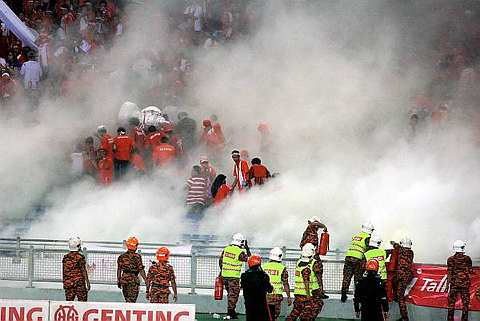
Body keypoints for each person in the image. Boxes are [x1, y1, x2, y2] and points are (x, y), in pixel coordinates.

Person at [219, 233, 251, 320]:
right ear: (241, 242)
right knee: (233, 295)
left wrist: (222, 271)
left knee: (230, 294)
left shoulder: (226, 249)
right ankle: (230, 312)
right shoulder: (239, 252)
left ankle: (232, 311)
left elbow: (221, 261)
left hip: (225, 276)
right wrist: (247, 248)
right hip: (233, 277)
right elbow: (249, 259)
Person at [341, 221, 374, 302]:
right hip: (358, 259)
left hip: (348, 257)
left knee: (346, 277)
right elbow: (369, 249)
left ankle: (344, 294)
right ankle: (357, 296)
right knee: (358, 278)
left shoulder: (356, 236)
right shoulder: (367, 237)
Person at [286, 243, 318, 321]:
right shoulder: (311, 264)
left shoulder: (299, 262)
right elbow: (306, 281)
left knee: (295, 312)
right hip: (306, 295)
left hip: (297, 293)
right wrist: (308, 295)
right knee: (306, 316)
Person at [262, 247, 292, 320]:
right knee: (274, 315)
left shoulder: (263, 267)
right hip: (276, 296)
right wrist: (288, 297)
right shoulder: (282, 268)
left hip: (264, 295)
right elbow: (285, 283)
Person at [241, 255, 273, 321]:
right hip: (261, 304)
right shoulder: (264, 276)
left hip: (249, 304)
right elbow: (269, 289)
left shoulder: (244, 276)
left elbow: (242, 286)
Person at [117, 237, 149, 303]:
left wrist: (119, 280)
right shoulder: (137, 257)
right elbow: (141, 269)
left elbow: (119, 269)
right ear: (136, 246)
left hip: (124, 279)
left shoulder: (121, 256)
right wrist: (146, 280)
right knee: (132, 301)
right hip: (133, 280)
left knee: (127, 300)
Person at [447, 240, 473, 321]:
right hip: (464, 285)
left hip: (454, 284)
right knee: (465, 305)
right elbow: (470, 270)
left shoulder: (450, 259)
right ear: (462, 248)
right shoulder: (467, 259)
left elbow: (449, 272)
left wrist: (448, 284)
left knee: (451, 305)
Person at [62, 237, 90, 301]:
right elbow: (83, 270)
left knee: (69, 302)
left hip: (68, 283)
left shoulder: (65, 257)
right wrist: (87, 282)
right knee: (82, 301)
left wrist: (65, 282)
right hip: (79, 283)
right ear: (78, 246)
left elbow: (64, 271)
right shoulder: (80, 257)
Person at [393, 238, 414, 321]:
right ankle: (396, 298)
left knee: (400, 297)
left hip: (401, 276)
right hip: (407, 276)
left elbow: (395, 245)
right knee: (395, 282)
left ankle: (405, 317)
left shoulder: (400, 250)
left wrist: (393, 242)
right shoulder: (411, 252)